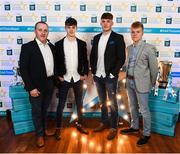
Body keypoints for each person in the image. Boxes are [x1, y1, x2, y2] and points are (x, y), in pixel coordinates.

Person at [120, 21, 158, 146]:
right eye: (133, 32)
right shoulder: (129, 48)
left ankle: (146, 134)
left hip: (142, 83)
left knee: (144, 110)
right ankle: (134, 126)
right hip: (129, 81)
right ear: (130, 33)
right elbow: (128, 65)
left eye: (138, 32)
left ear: (142, 33)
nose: (135, 34)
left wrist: (151, 83)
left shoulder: (148, 48)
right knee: (133, 107)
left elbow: (154, 68)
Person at [19, 21, 56, 147]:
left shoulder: (51, 46)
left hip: (50, 83)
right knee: (37, 111)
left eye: (45, 30)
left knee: (45, 110)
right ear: (35, 31)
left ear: (48, 32)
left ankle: (44, 130)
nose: (43, 32)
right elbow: (23, 69)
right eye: (40, 30)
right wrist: (31, 88)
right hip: (35, 86)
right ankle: (39, 135)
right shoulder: (28, 47)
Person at [90, 13, 126, 140]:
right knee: (102, 102)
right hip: (98, 75)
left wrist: (113, 73)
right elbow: (93, 56)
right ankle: (104, 122)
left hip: (110, 76)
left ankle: (113, 126)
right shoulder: (96, 37)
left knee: (113, 103)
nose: (106, 23)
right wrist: (93, 71)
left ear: (112, 23)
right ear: (101, 23)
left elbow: (121, 58)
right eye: (103, 21)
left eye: (108, 21)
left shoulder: (118, 38)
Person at [55, 17, 89, 140]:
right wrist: (59, 76)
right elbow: (56, 62)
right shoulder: (58, 44)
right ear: (65, 28)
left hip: (77, 78)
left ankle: (80, 124)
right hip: (64, 78)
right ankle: (58, 128)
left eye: (73, 27)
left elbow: (85, 60)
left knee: (79, 103)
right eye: (69, 27)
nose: (71, 29)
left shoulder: (82, 43)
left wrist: (85, 74)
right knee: (61, 104)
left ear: (76, 28)